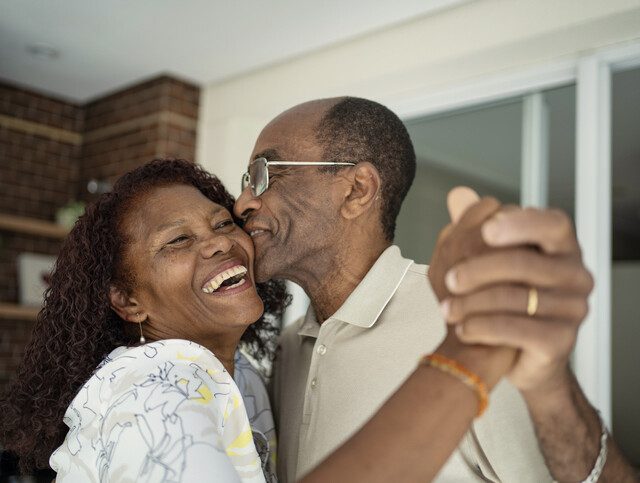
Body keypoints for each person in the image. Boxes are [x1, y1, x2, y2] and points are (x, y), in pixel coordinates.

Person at [0, 159, 526, 482]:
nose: (221, 242)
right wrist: (456, 369)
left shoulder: (248, 372)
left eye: (224, 222)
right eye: (178, 241)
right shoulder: (157, 391)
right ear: (128, 302)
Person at [234, 97, 638, 482]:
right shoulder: (289, 349)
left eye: (264, 174)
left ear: (357, 190)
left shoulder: (465, 320)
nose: (243, 203)